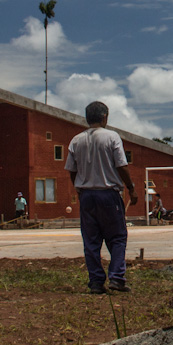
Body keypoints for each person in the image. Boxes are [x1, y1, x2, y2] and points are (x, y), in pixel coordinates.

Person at [65, 101, 137, 294]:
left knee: (91, 240)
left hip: (87, 195)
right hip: (108, 194)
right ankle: (116, 277)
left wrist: (79, 188)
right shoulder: (111, 137)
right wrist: (131, 188)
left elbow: (71, 170)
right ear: (105, 117)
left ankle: (96, 281)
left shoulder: (76, 140)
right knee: (118, 237)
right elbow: (122, 165)